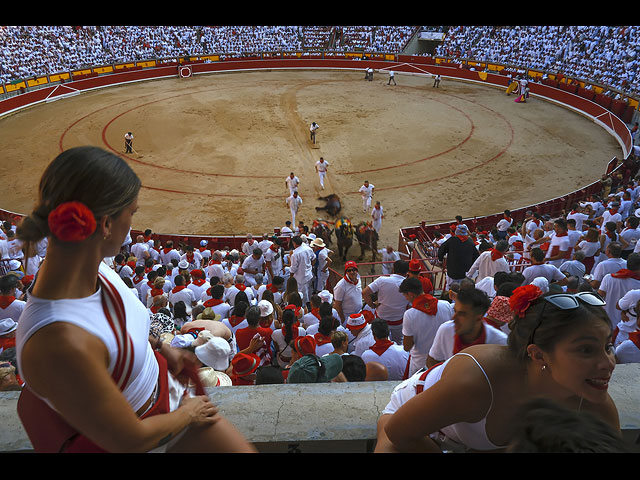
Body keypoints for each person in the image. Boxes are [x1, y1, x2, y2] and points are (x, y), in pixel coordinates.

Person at [14, 146, 253, 453]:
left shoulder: (86, 264)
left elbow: (114, 334)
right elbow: (130, 439)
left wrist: (161, 346)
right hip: (156, 427)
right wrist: (188, 414)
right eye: (132, 213)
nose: (131, 227)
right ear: (105, 225)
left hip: (163, 398)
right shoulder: (59, 341)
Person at [379, 284, 620, 453]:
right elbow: (398, 431)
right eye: (586, 350)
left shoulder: (591, 398)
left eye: (608, 346)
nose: (609, 363)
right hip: (410, 419)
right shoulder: (474, 383)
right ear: (537, 354)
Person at [426, 287, 506, 368]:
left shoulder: (500, 342)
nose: (454, 317)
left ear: (478, 318)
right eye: (455, 311)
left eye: (462, 314)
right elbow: (432, 360)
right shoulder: (446, 330)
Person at [399, 277, 453, 377]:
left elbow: (407, 347)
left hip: (420, 364)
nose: (405, 298)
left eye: (405, 295)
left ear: (411, 294)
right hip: (443, 361)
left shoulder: (409, 315)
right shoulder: (446, 306)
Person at [362, 260, 410, 344]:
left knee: (379, 342)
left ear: (393, 270)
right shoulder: (409, 285)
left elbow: (364, 293)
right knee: (398, 343)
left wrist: (372, 305)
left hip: (381, 319)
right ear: (406, 272)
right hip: (398, 321)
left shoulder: (382, 280)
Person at [437, 223, 479, 289]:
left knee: (450, 289)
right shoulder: (470, 242)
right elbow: (476, 256)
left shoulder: (452, 240)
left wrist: (440, 260)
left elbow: (441, 250)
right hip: (465, 273)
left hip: (453, 272)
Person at [333, 261, 363, 326]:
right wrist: (343, 319)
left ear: (357, 270)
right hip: (347, 317)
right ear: (346, 272)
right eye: (349, 270)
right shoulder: (340, 286)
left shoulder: (358, 279)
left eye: (353, 270)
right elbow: (338, 304)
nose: (352, 272)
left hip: (359, 314)